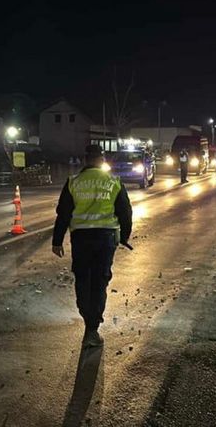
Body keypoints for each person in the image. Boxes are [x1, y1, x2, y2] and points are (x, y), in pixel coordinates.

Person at [51, 144, 133, 348]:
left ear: (85, 159)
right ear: (102, 159)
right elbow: (126, 212)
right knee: (99, 280)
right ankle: (92, 327)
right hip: (106, 239)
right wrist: (124, 237)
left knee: (82, 278)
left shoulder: (74, 182)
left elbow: (63, 214)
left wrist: (57, 240)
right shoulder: (113, 182)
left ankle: (87, 317)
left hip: (81, 238)